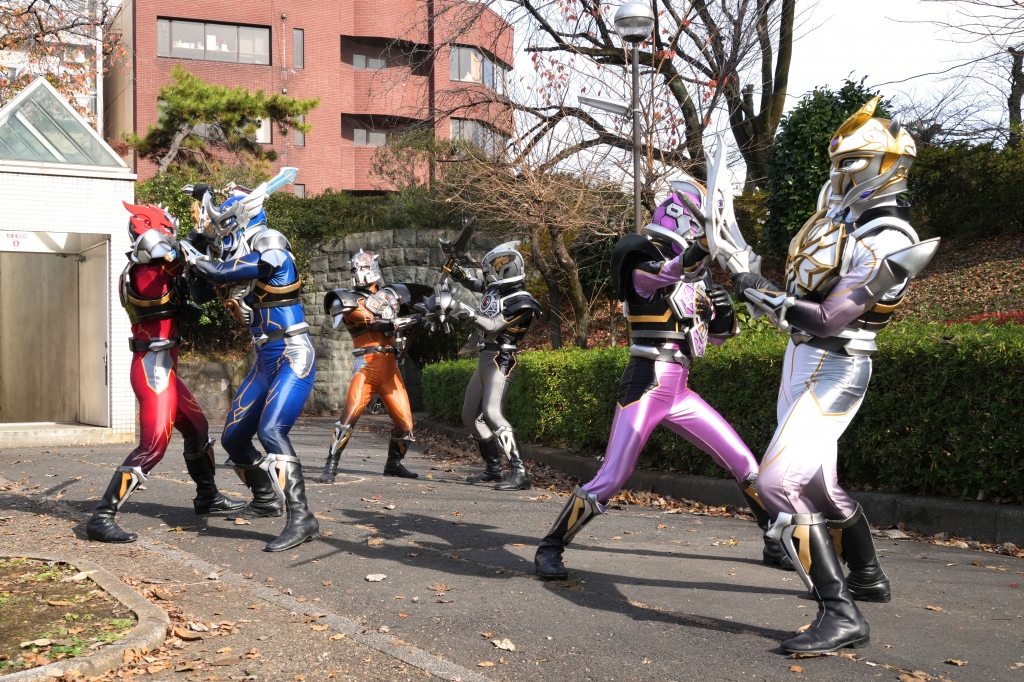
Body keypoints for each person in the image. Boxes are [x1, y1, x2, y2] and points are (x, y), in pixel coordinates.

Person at [730, 98, 939, 654]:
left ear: (885, 165)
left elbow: (829, 317)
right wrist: (761, 291)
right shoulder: (845, 223)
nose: (839, 175)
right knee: (819, 485)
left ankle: (840, 612)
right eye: (838, 163)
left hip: (837, 364)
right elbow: (801, 308)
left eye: (850, 163)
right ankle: (867, 576)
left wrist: (763, 292)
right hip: (803, 359)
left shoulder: (890, 236)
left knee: (777, 483)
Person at [533, 179, 790, 579]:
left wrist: (723, 312)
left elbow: (714, 339)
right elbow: (664, 274)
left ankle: (774, 540)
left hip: (680, 388)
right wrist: (701, 249)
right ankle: (551, 547)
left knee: (745, 463)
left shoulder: (699, 276)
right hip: (646, 382)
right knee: (613, 476)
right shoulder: (640, 255)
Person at [87, 202, 244, 543]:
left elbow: (177, 284)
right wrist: (203, 233)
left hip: (165, 369)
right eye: (166, 230)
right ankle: (102, 516)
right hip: (152, 371)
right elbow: (181, 259)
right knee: (153, 447)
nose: (170, 236)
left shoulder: (151, 271)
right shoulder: (146, 270)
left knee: (197, 427)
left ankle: (207, 496)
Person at [182, 169, 319, 553]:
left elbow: (230, 270)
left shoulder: (270, 243)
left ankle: (302, 517)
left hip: (292, 352)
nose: (222, 232)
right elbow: (201, 291)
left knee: (272, 431)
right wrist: (194, 246)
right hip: (264, 359)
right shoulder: (237, 253)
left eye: (226, 224)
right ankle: (265, 498)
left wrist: (196, 256)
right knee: (234, 438)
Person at [441, 242, 541, 491]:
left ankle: (520, 472)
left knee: (492, 413)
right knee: (470, 416)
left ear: (504, 268)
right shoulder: (497, 290)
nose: (487, 275)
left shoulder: (523, 301)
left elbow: (494, 325)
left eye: (491, 270)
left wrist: (460, 309)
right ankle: (494, 468)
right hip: (485, 358)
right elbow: (473, 284)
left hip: (502, 359)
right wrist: (456, 270)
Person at [317, 250, 422, 482]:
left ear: (373, 267)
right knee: (349, 417)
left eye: (363, 268)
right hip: (367, 365)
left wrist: (430, 312)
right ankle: (330, 465)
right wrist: (407, 320)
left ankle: (393, 465)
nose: (359, 273)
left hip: (390, 367)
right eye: (355, 269)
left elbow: (416, 308)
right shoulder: (345, 299)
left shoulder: (392, 294)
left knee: (405, 425)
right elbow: (375, 324)